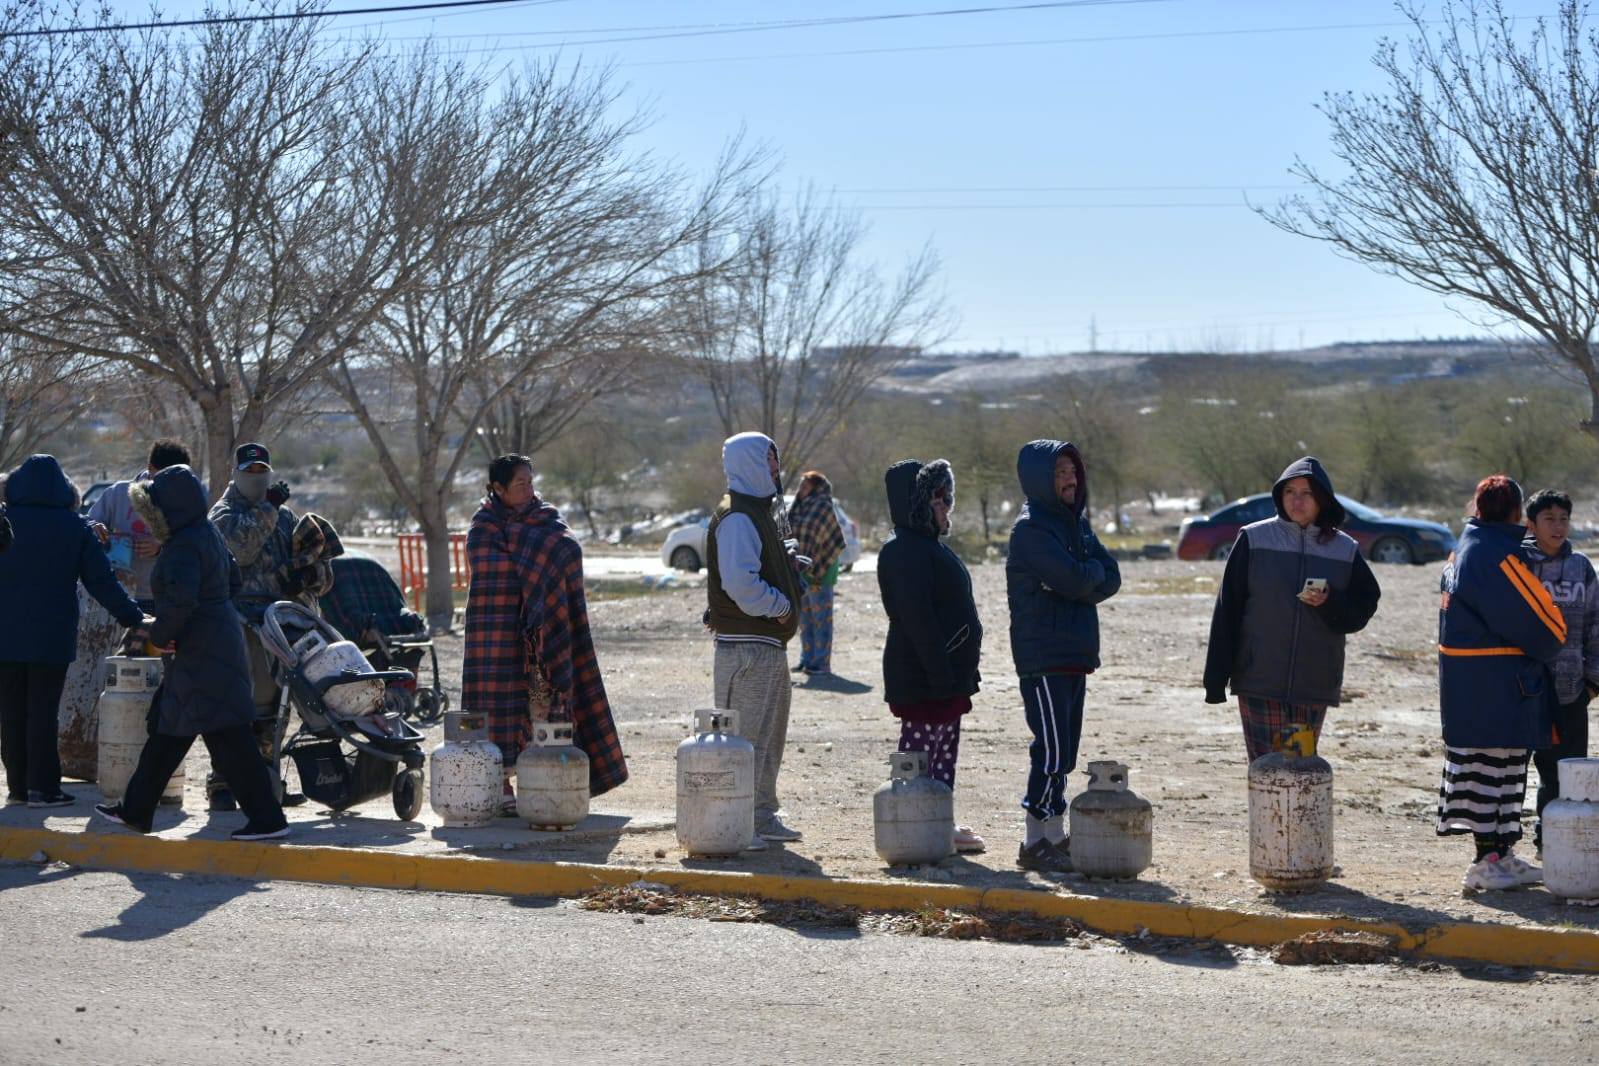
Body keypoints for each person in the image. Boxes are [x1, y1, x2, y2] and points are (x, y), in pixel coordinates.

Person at [93, 465, 289, 840]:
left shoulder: (183, 545)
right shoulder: (205, 533)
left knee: (226, 738)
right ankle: (135, 811)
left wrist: (163, 634)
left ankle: (268, 820)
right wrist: (208, 619)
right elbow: (230, 581)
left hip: (200, 651)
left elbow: (181, 602)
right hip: (211, 643)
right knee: (170, 729)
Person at [462, 455, 628, 814]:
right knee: (495, 708)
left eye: (531, 482)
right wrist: (531, 566)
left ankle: (544, 781)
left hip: (543, 640)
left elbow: (568, 551)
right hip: (497, 636)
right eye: (520, 484)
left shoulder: (546, 518)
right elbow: (493, 572)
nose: (529, 489)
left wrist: (531, 569)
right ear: (497, 489)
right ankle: (501, 782)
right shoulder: (483, 527)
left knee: (544, 706)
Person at [1203, 456, 1382, 761]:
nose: (1297, 500)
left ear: (1322, 500)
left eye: (1306, 493)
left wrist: (1330, 602)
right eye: (1290, 492)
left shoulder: (1344, 548)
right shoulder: (1253, 539)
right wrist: (1216, 680)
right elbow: (1227, 611)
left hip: (1313, 682)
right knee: (1267, 772)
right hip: (1259, 680)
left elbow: (1362, 609)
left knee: (1299, 771)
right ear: (1279, 496)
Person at [1437, 475, 1567, 893]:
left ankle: (1500, 858)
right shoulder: (1495, 554)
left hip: (1474, 686)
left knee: (1498, 773)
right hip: (1495, 688)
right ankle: (1487, 861)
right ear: (1515, 513)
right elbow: (1546, 627)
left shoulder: (1467, 547)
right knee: (1494, 775)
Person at [0, 455, 149, 807]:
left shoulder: (4, 521)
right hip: (51, 635)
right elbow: (102, 583)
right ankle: (44, 788)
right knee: (43, 710)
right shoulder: (73, 527)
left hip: (4, 635)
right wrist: (135, 618)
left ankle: (18, 787)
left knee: (10, 710)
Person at [1007, 439, 1121, 873]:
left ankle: (1053, 836)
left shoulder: (1077, 525)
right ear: (1040, 479)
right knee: (1052, 751)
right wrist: (1082, 581)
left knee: (1066, 751)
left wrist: (1082, 579)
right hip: (1044, 656)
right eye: (1059, 473)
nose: (1070, 479)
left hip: (1074, 653)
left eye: (1073, 470)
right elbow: (1077, 581)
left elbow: (1110, 577)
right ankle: (1033, 839)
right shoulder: (1032, 529)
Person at [208, 442, 334, 810]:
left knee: (277, 707)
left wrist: (310, 575)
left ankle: (265, 777)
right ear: (236, 474)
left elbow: (319, 568)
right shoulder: (223, 513)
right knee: (239, 705)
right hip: (239, 623)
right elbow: (240, 548)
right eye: (249, 471)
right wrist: (268, 508)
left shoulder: (285, 518)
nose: (256, 478)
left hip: (281, 624)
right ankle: (222, 783)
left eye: (262, 470)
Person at [878, 458, 986, 854]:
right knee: (919, 760)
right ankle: (914, 825)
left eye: (948, 497)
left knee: (943, 757)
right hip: (923, 677)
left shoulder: (927, 546)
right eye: (939, 498)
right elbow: (917, 620)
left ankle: (938, 820)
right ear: (919, 503)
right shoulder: (902, 551)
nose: (947, 506)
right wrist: (940, 675)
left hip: (943, 677)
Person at [705, 431, 805, 850]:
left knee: (768, 738)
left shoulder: (759, 511)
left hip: (766, 645)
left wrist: (787, 563)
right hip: (747, 646)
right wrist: (781, 604)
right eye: (767, 459)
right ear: (748, 462)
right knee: (744, 740)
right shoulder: (738, 517)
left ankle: (761, 814)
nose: (774, 468)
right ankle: (737, 820)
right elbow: (740, 584)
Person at [1521, 489, 1599, 853]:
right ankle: (1500, 848)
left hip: (1571, 689)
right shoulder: (1517, 563)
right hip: (1522, 690)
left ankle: (1554, 842)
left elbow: (1596, 626)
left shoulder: (1581, 567)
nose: (1558, 526)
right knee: (1518, 771)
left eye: (1563, 518)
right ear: (1531, 523)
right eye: (1549, 518)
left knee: (1567, 773)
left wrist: (1592, 683)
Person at [87, 439, 193, 611]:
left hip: (161, 597)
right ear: (150, 468)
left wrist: (160, 547)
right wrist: (95, 527)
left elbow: (192, 545)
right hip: (119, 595)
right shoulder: (118, 493)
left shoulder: (185, 502)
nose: (173, 485)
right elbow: (86, 524)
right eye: (167, 477)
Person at [787, 471, 848, 676]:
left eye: (805, 487)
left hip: (822, 570)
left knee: (822, 617)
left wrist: (813, 564)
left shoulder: (823, 506)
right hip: (801, 569)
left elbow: (824, 539)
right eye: (800, 486)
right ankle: (807, 659)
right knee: (805, 618)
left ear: (816, 488)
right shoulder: (797, 507)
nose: (800, 490)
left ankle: (822, 662)